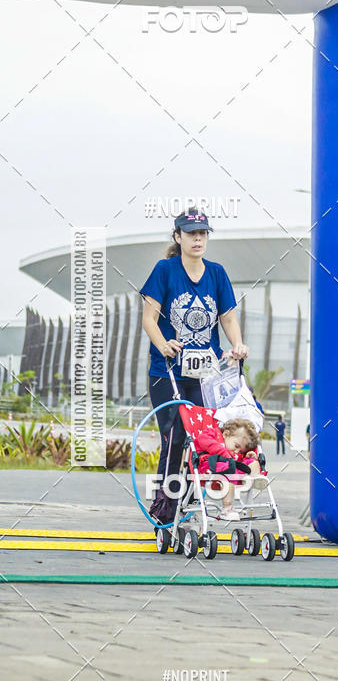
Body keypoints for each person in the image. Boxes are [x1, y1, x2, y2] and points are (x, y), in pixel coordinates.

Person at [141, 210, 249, 509]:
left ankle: (190, 505)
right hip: (168, 371)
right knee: (175, 437)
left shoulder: (217, 273)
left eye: (203, 233)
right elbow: (149, 319)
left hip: (206, 374)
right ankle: (165, 506)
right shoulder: (165, 270)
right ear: (178, 237)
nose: (198, 238)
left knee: (203, 441)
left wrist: (237, 344)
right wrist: (163, 344)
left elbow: (227, 317)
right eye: (191, 233)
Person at [191, 413, 266, 520]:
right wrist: (223, 452)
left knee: (252, 462)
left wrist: (248, 458)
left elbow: (239, 460)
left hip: (233, 470)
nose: (237, 451)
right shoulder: (214, 434)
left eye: (240, 451)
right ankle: (227, 508)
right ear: (226, 434)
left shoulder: (234, 452)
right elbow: (203, 440)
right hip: (212, 467)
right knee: (227, 472)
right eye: (236, 446)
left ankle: (255, 477)